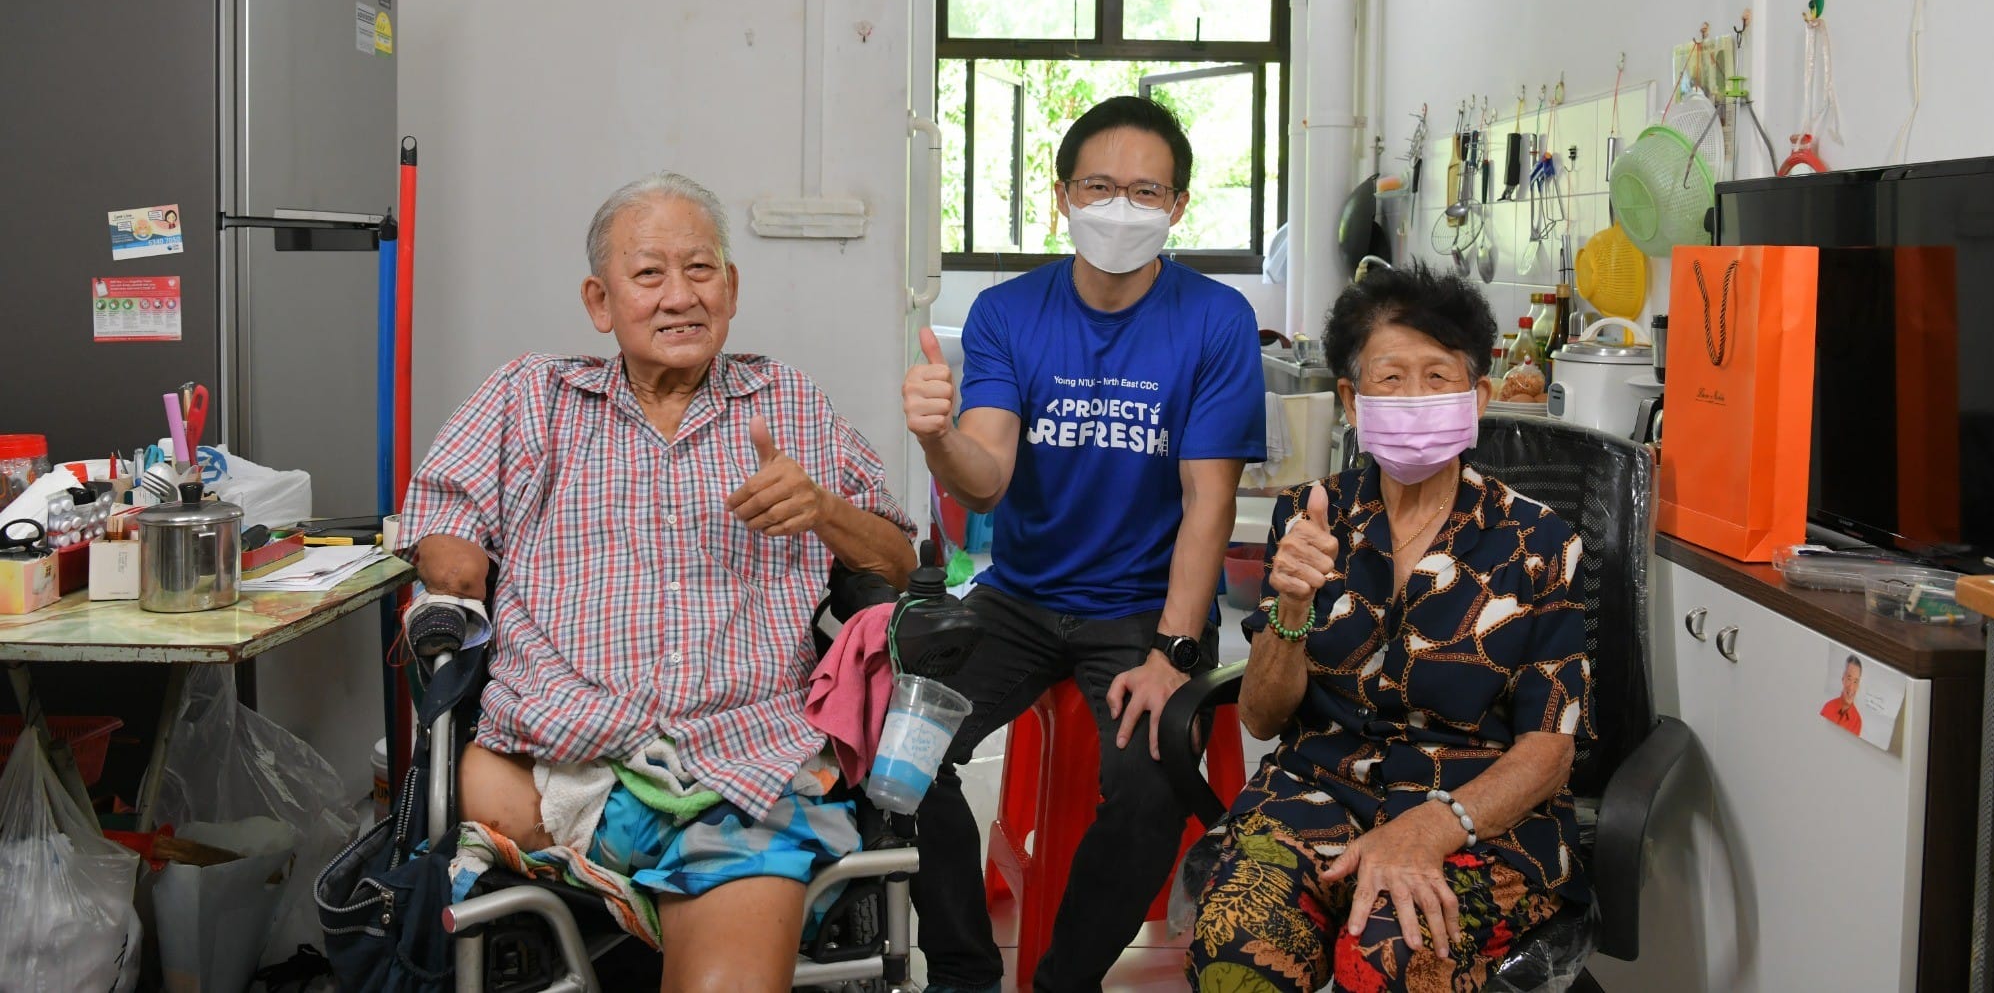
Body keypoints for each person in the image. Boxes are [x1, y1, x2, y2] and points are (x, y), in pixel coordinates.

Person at [399, 172, 916, 992]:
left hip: (740, 760)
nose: (680, 295)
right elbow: (440, 520)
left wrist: (823, 509)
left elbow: (898, 563)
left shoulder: (789, 402)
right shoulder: (533, 397)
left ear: (731, 287)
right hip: (560, 748)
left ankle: (680, 874)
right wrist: (455, 554)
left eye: (700, 268)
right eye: (649, 273)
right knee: (482, 780)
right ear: (600, 301)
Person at [902, 95, 1267, 992]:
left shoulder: (1214, 319)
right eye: (1100, 186)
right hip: (1019, 597)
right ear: (1062, 194)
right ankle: (962, 970)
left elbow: (1207, 501)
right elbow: (986, 476)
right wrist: (938, 438)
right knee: (899, 752)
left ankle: (1064, 980)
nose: (1120, 207)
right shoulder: (1008, 312)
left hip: (1146, 610)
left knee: (1151, 783)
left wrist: (1175, 652)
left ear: (1178, 206)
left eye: (1146, 191)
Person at [1185, 264, 1592, 993]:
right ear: (1352, 398)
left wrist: (1429, 828)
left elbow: (1549, 750)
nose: (1415, 397)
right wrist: (1291, 608)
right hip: (1313, 799)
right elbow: (1261, 717)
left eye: (1438, 376)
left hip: (1473, 819)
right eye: (1391, 378)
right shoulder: (1311, 515)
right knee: (1235, 950)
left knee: (1390, 958)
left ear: (1479, 397)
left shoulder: (1539, 541)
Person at [1822, 655, 1864, 735]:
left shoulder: (1857, 722)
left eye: (1855, 681)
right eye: (1849, 678)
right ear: (1843, 679)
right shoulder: (1827, 707)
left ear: (1858, 685)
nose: (1851, 687)